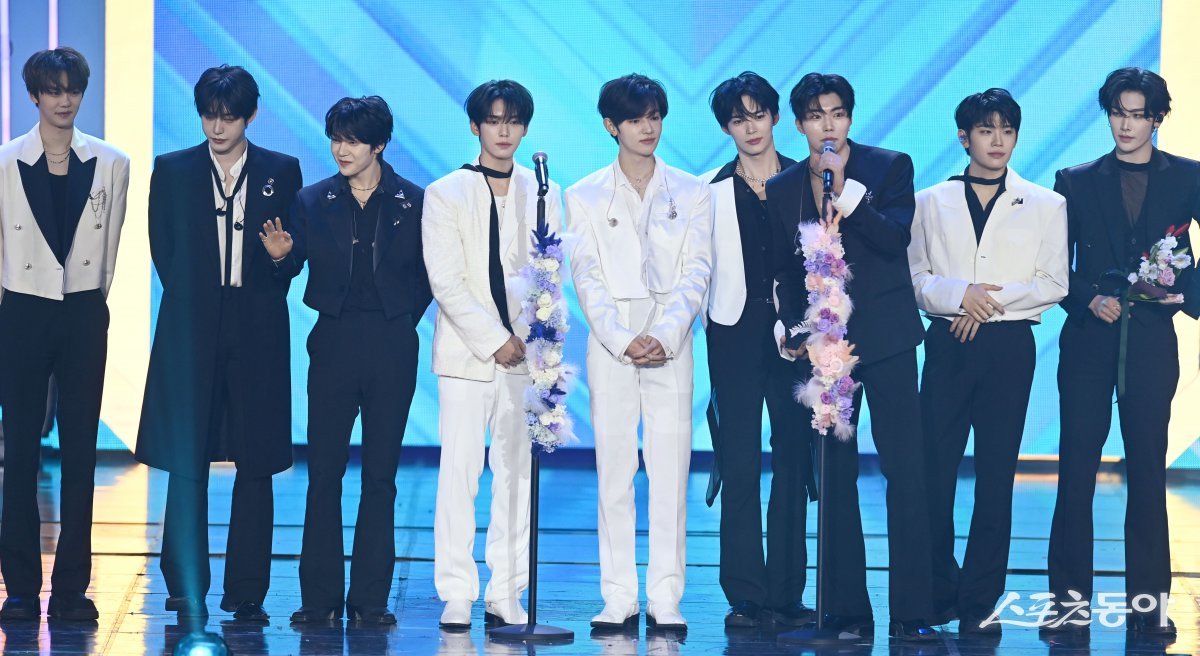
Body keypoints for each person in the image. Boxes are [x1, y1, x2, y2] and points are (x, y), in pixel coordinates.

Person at [767, 72, 936, 641]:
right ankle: (847, 611)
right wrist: (798, 330)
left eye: (837, 113)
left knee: (905, 471)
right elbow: (786, 271)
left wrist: (846, 193)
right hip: (826, 351)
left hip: (886, 341)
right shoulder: (783, 187)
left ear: (850, 118)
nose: (828, 125)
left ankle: (913, 611)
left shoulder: (889, 168)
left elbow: (894, 240)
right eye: (816, 116)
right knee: (834, 476)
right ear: (799, 124)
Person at [135, 64, 303, 620]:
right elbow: (163, 248)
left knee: (256, 457)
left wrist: (281, 260)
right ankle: (185, 585)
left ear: (250, 115)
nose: (217, 126)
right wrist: (198, 300)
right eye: (209, 114)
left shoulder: (281, 170)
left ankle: (247, 591)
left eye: (229, 116)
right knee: (187, 456)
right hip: (192, 325)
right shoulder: (174, 169)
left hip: (258, 326)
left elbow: (292, 258)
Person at [1046, 67, 1198, 639]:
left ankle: (1149, 608)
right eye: (1118, 113)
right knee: (1075, 472)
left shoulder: (1188, 177)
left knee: (1148, 472)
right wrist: (1088, 298)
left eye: (1138, 114)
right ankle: (1067, 606)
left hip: (1152, 339)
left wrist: (1184, 293)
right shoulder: (1075, 180)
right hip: (1089, 339)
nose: (1126, 125)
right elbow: (1053, 264)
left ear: (1157, 118)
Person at [908, 88, 1068, 633]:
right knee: (934, 472)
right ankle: (938, 591)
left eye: (1007, 130)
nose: (997, 140)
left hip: (1008, 348)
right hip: (948, 342)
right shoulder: (929, 201)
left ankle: (981, 601)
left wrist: (983, 303)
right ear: (964, 137)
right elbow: (915, 277)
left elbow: (1054, 283)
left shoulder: (1046, 204)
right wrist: (960, 296)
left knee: (997, 476)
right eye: (985, 129)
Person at [566, 74, 712, 632]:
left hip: (672, 342)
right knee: (615, 471)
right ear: (611, 126)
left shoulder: (692, 191)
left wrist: (666, 334)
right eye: (635, 119)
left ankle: (665, 595)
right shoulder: (583, 195)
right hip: (613, 346)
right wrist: (623, 338)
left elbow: (698, 270)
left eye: (655, 117)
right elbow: (586, 276)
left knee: (670, 471)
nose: (648, 128)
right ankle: (619, 595)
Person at [281, 96, 431, 625]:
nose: (341, 150)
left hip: (392, 344)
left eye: (353, 140)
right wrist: (280, 257)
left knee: (381, 477)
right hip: (334, 342)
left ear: (379, 145)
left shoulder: (415, 202)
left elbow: (428, 278)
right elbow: (289, 268)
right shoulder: (312, 200)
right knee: (324, 472)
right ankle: (318, 598)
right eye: (336, 139)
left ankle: (369, 599)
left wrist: (400, 319)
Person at [423, 80, 563, 629]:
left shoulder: (543, 190)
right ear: (475, 126)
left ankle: (506, 590)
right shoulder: (446, 192)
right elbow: (446, 281)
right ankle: (457, 590)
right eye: (493, 120)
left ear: (524, 128)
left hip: (527, 357)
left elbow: (550, 273)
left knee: (516, 475)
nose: (504, 131)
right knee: (460, 471)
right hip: (467, 356)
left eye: (513, 121)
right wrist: (493, 339)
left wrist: (538, 343)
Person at [0, 47, 129, 622]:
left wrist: (88, 301)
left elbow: (110, 248)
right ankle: (20, 588)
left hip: (81, 311)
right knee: (20, 451)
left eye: (72, 89)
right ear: (34, 95)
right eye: (52, 90)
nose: (64, 100)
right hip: (22, 311)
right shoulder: (5, 162)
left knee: (81, 450)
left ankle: (72, 588)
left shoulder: (111, 162)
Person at [702, 72, 813, 629]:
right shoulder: (711, 191)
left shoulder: (808, 181)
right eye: (737, 119)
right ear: (727, 127)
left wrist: (811, 328)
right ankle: (745, 593)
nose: (750, 127)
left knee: (794, 459)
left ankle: (787, 592)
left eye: (758, 115)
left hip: (799, 337)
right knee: (739, 459)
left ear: (775, 117)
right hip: (735, 332)